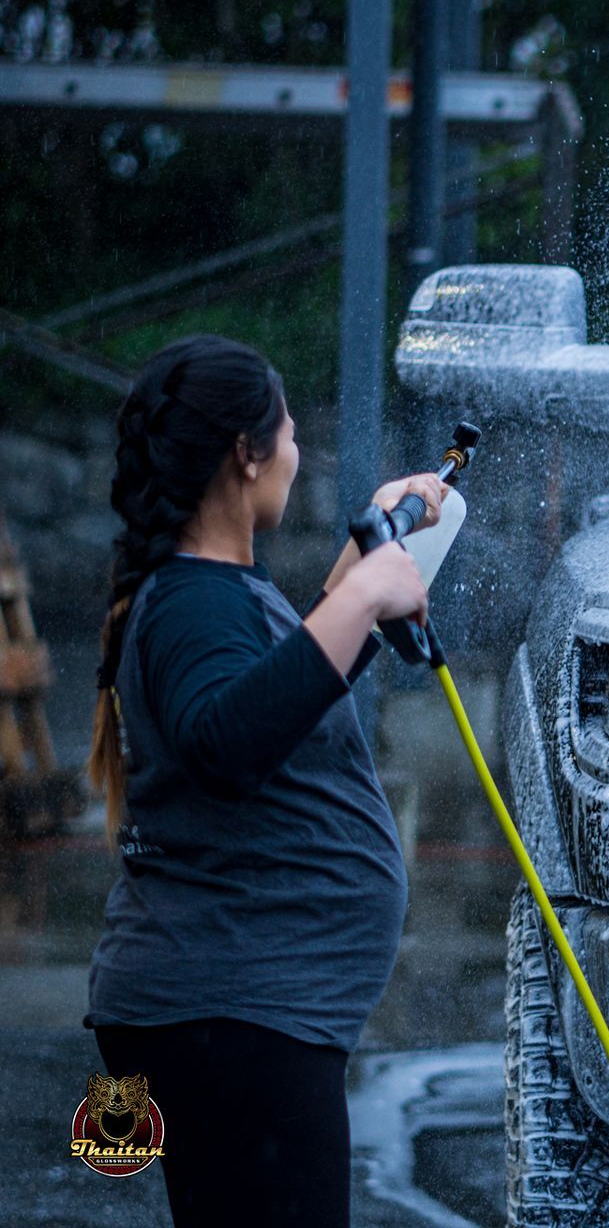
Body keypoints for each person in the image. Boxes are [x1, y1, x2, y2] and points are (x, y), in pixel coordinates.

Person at [81, 334, 447, 1227]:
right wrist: (363, 597)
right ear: (246, 456)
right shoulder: (194, 602)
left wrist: (380, 536)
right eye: (286, 436)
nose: (295, 453)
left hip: (232, 1014)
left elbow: (284, 691)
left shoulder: (211, 590)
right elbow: (228, 743)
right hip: (231, 1018)